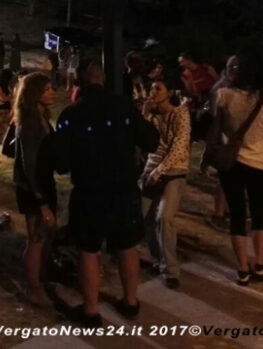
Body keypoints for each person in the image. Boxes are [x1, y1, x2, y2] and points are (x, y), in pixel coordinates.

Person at [54, 59, 159, 324]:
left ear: (79, 82)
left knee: (89, 250)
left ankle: (91, 310)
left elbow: (62, 164)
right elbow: (151, 140)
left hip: (89, 191)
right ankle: (131, 301)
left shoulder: (71, 115)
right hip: (123, 189)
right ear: (103, 79)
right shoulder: (124, 107)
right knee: (127, 245)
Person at [205, 50, 263, 285]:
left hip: (231, 163)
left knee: (237, 215)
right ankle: (259, 264)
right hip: (260, 162)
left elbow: (214, 126)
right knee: (259, 213)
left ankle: (242, 269)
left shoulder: (224, 95)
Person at [141, 77, 191, 289]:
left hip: (174, 171)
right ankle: (157, 259)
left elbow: (179, 147)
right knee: (145, 216)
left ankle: (171, 270)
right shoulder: (152, 115)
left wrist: (159, 172)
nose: (153, 92)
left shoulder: (181, 114)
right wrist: (144, 114)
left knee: (165, 217)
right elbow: (142, 140)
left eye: (158, 88)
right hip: (151, 169)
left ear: (169, 93)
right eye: (151, 88)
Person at [13, 72, 57, 307]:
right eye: (46, 89)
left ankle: (40, 277)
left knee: (46, 234)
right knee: (36, 238)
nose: (52, 93)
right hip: (32, 189)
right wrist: (42, 202)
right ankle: (32, 287)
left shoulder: (41, 118)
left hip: (44, 183)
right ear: (34, 94)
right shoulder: (29, 124)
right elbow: (29, 165)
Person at [204, 55, 239, 232]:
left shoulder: (232, 87)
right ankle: (218, 214)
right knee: (224, 178)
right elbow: (215, 116)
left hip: (232, 140)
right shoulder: (221, 88)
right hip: (223, 140)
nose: (235, 70)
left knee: (231, 178)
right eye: (232, 66)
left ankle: (225, 210)